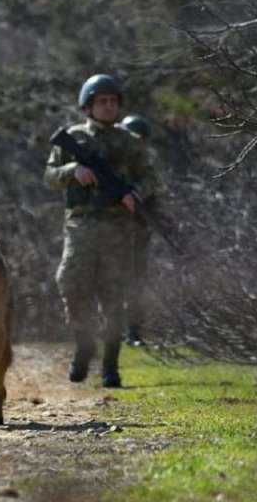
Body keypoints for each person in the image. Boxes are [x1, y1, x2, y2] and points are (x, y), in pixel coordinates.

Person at [43, 74, 160, 388]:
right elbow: (50, 176)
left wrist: (135, 194)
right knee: (71, 284)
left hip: (118, 227)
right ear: (88, 106)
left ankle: (110, 365)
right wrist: (73, 171)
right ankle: (84, 343)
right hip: (80, 225)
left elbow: (150, 177)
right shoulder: (73, 137)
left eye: (112, 102)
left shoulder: (129, 142)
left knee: (114, 296)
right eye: (101, 102)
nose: (108, 107)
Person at [119, 114, 158, 347]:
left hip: (138, 232)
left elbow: (155, 194)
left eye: (142, 140)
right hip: (111, 232)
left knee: (136, 283)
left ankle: (134, 331)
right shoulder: (115, 166)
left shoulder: (146, 169)